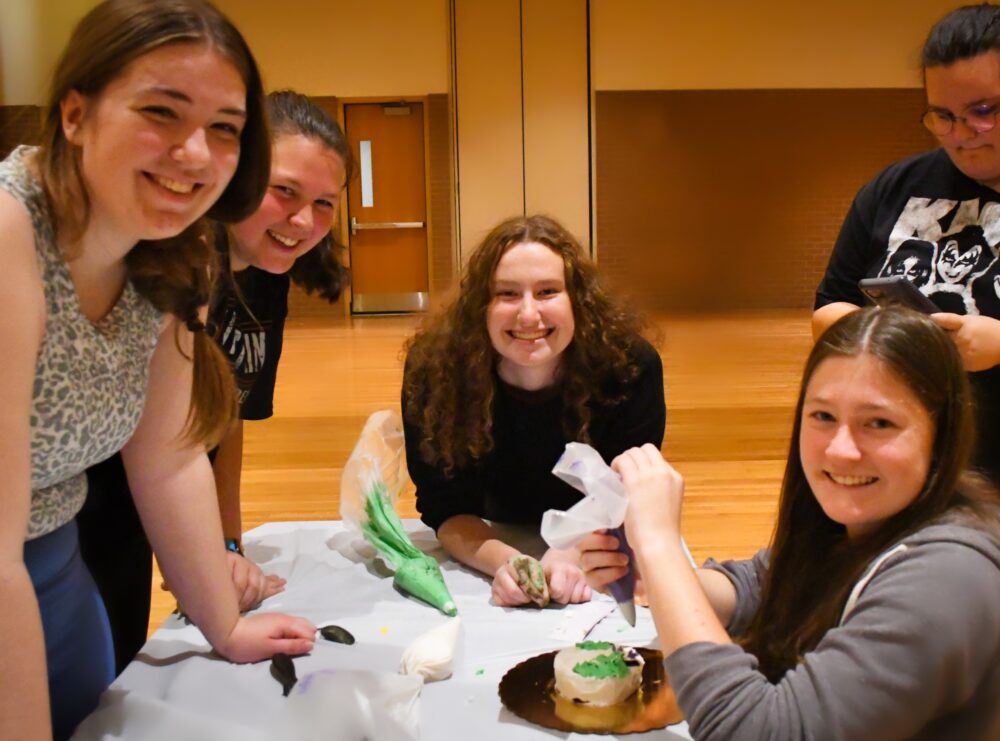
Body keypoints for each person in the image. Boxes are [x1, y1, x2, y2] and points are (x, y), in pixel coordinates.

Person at [0, 2, 316, 739]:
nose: (197, 155)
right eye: (161, 113)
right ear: (74, 113)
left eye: (225, 129)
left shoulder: (170, 249)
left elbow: (170, 456)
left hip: (53, 574)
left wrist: (225, 624)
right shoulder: (11, 238)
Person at [581, 306, 1000, 739]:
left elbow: (763, 731)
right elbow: (761, 585)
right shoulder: (867, 520)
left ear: (941, 435)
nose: (841, 450)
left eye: (879, 423)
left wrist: (659, 545)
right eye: (823, 416)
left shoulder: (949, 578)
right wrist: (652, 576)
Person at [79, 90, 351, 673]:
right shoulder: (177, 262)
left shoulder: (265, 273)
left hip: (158, 496)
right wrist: (205, 566)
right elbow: (162, 448)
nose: (304, 221)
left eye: (325, 202)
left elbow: (228, 416)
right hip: (90, 501)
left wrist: (227, 548)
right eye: (285, 192)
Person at [402, 214, 666, 607]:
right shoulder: (435, 371)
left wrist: (570, 555)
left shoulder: (629, 367)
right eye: (507, 294)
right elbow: (446, 508)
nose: (528, 315)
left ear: (578, 301)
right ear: (480, 306)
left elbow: (626, 490)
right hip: (489, 527)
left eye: (547, 292)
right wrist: (511, 564)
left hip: (596, 536)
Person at [814, 3, 1000, 485]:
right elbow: (831, 308)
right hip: (897, 476)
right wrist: (889, 336)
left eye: (983, 112)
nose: (960, 136)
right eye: (943, 116)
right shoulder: (894, 187)